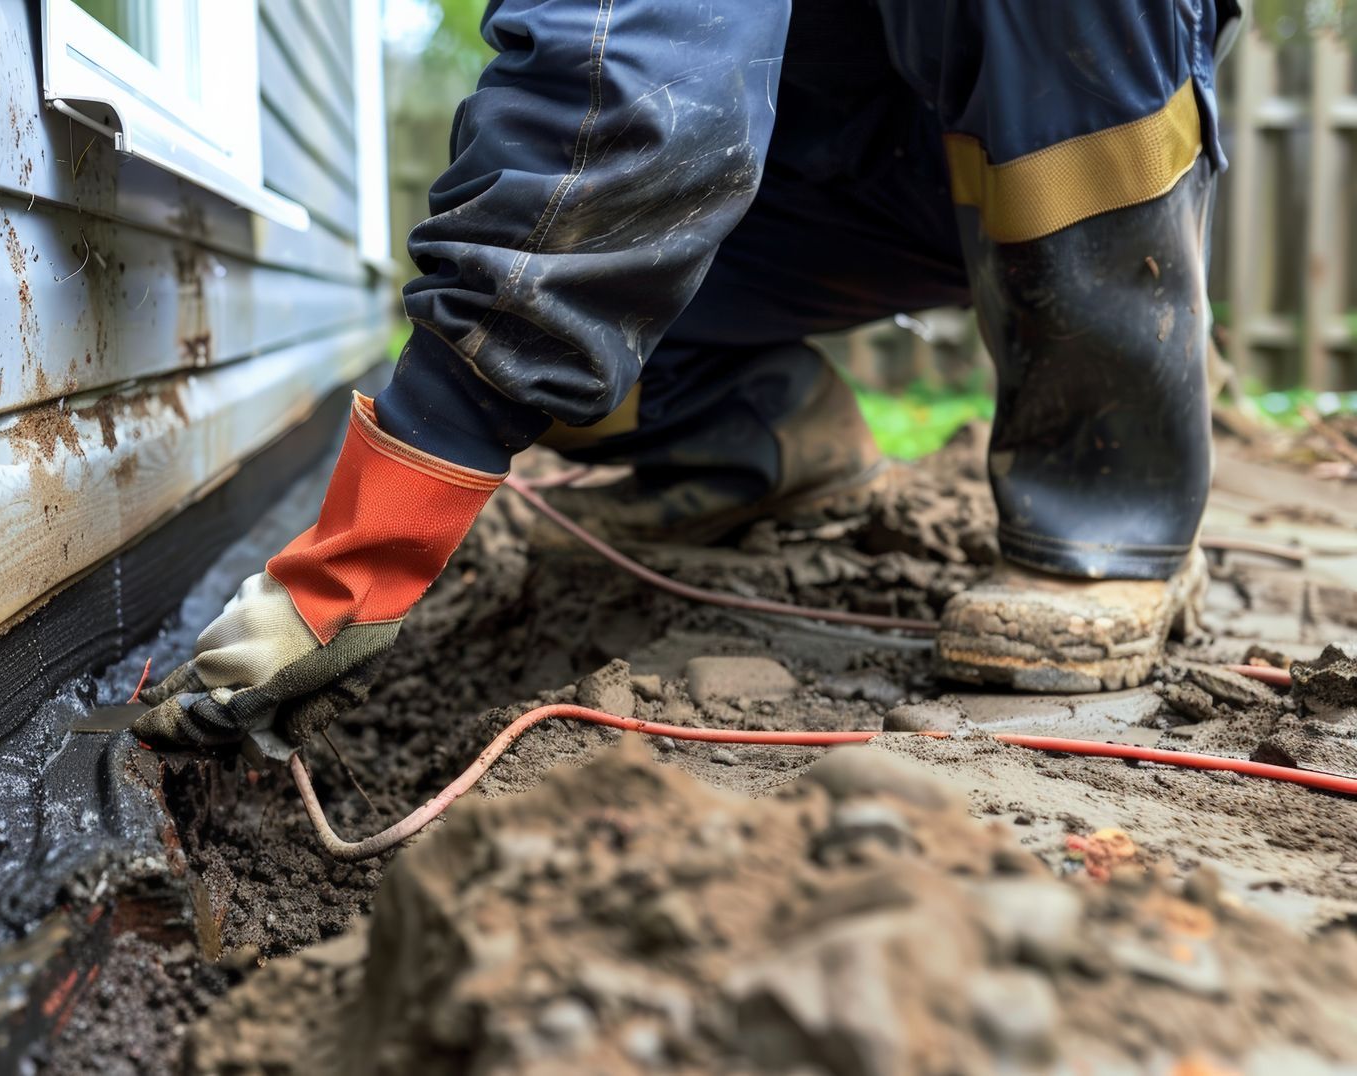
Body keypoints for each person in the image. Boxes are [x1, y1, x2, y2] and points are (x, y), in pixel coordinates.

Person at [133, 0, 1241, 753]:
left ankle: (1111, 493)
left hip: (1039, 118)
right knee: (568, 343)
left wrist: (370, 546)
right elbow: (624, 69)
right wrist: (455, 416)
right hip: (801, 164)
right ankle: (766, 438)